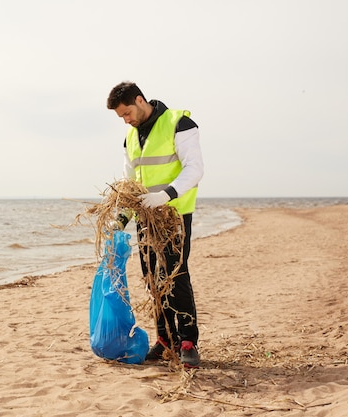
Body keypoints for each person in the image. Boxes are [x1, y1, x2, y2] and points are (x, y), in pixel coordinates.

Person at [106, 81, 204, 368]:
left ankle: (187, 342)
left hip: (174, 215)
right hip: (145, 218)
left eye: (126, 113)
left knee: (175, 277)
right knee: (152, 279)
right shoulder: (130, 138)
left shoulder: (179, 123)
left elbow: (195, 168)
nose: (126, 120)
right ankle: (165, 339)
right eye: (121, 117)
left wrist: (165, 195)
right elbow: (131, 185)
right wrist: (121, 218)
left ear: (140, 100)